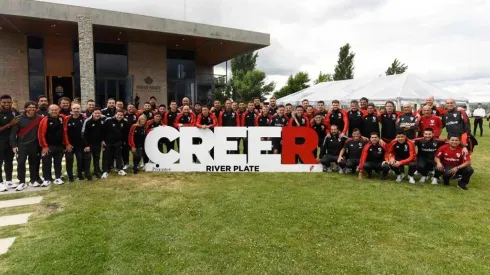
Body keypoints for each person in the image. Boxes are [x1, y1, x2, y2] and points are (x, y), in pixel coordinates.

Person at [7, 101, 43, 191]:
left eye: (34, 107)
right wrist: (13, 145)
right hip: (22, 145)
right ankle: (22, 182)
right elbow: (13, 133)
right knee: (21, 163)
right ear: (25, 108)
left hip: (35, 145)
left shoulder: (39, 118)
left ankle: (33, 180)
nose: (32, 109)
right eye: (30, 107)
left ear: (36, 108)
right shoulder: (18, 119)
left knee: (34, 163)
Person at [38, 104, 67, 186]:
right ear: (49, 111)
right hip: (48, 146)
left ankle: (58, 178)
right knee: (46, 163)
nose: (54, 111)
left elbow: (69, 119)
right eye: (52, 110)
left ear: (59, 110)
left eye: (56, 110)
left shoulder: (62, 118)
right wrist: (44, 146)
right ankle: (46, 179)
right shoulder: (45, 120)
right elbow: (41, 134)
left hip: (59, 146)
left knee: (58, 162)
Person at [101, 109, 128, 178]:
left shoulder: (124, 122)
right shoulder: (108, 120)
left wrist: (122, 141)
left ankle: (120, 170)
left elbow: (124, 133)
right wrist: (102, 140)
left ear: (123, 116)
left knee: (118, 156)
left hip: (117, 142)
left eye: (121, 115)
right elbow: (102, 130)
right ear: (115, 114)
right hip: (107, 142)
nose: (119, 116)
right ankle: (105, 171)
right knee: (106, 156)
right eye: (118, 114)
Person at [0, 94, 20, 189]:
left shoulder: (14, 111)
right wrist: (9, 124)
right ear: (0, 102)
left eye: (9, 102)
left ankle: (8, 181)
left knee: (9, 161)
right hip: (0, 141)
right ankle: (0, 183)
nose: (7, 104)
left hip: (10, 141)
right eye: (4, 102)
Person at [63, 103, 86, 182]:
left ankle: (79, 175)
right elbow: (64, 132)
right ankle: (70, 176)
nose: (76, 110)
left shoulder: (84, 118)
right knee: (69, 160)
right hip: (69, 144)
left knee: (80, 159)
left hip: (80, 145)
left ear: (80, 109)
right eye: (74, 108)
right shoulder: (67, 119)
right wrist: (67, 144)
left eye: (78, 108)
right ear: (71, 109)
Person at [82, 108, 104, 179]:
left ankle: (96, 172)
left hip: (97, 144)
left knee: (97, 158)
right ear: (92, 113)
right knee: (88, 159)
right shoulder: (87, 121)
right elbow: (83, 134)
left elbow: (102, 132)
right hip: (89, 144)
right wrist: (86, 145)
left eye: (99, 113)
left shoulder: (101, 120)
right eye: (96, 113)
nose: (97, 115)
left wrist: (102, 140)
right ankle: (87, 173)